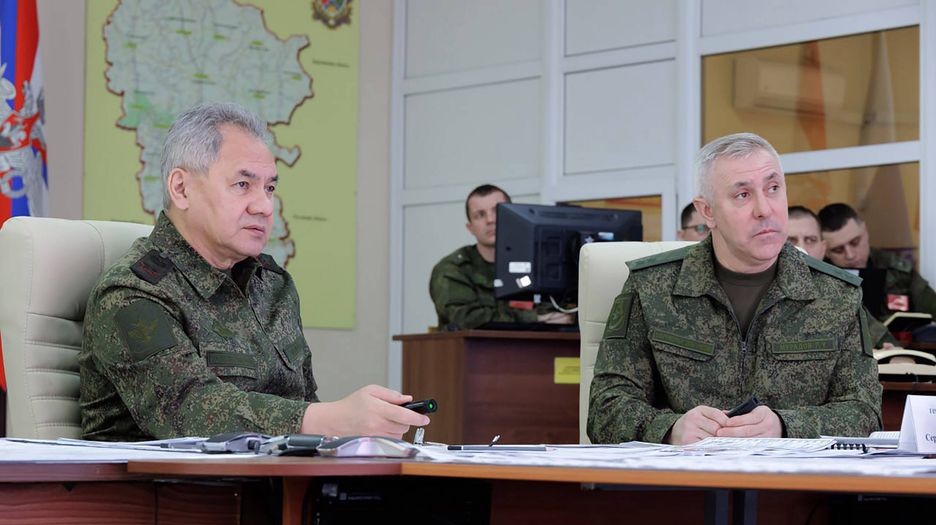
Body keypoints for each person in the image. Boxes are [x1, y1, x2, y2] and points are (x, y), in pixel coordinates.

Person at [80, 102, 430, 441]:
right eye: (243, 185)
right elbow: (187, 411)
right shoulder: (132, 293)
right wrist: (334, 419)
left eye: (270, 188)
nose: (264, 206)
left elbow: (301, 404)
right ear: (181, 188)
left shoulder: (272, 285)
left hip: (273, 489)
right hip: (167, 495)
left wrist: (354, 435)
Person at [588, 133, 881, 445]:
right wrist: (670, 428)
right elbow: (605, 410)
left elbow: (865, 413)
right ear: (708, 212)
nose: (764, 209)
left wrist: (785, 426)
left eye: (773, 189)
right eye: (742, 195)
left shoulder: (837, 294)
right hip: (685, 485)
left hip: (790, 488)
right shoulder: (651, 288)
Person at [428, 184, 572, 330]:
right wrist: (533, 318)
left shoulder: (538, 264)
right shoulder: (453, 269)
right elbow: (465, 318)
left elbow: (556, 311)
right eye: (480, 215)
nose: (490, 220)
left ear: (514, 217)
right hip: (474, 350)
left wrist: (542, 317)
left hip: (535, 348)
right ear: (470, 228)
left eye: (497, 211)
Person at [788, 205, 896, 348]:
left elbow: (890, 348)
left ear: (823, 248)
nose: (801, 250)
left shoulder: (841, 297)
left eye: (810, 240)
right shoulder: (757, 290)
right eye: (790, 241)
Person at [819, 202, 936, 320]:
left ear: (865, 231)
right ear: (826, 251)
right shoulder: (817, 280)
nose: (850, 255)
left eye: (855, 242)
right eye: (838, 249)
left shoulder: (896, 269)